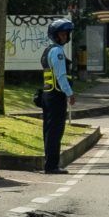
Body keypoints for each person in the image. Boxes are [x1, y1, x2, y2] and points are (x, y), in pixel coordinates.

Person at [39, 18, 74, 174]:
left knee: (49, 130)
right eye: (62, 33)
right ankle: (52, 166)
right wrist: (70, 94)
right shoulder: (58, 52)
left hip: (47, 95)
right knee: (55, 131)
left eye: (66, 33)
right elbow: (61, 76)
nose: (65, 36)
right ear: (55, 35)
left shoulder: (48, 50)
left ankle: (50, 163)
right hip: (56, 96)